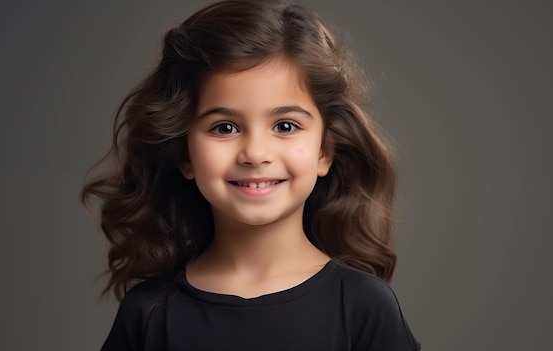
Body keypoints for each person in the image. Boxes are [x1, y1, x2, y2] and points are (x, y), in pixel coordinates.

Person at [81, 0, 420, 349]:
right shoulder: (148, 313)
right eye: (225, 127)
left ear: (324, 152)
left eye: (285, 126)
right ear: (185, 155)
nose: (256, 153)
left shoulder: (364, 308)